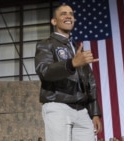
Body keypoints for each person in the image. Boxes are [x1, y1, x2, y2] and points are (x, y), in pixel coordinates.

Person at [34, 4, 102, 141]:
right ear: (54, 21)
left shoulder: (77, 49)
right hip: (58, 106)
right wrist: (71, 64)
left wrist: (94, 112)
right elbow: (44, 71)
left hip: (82, 111)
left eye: (71, 13)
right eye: (63, 13)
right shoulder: (46, 44)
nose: (69, 16)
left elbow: (90, 82)